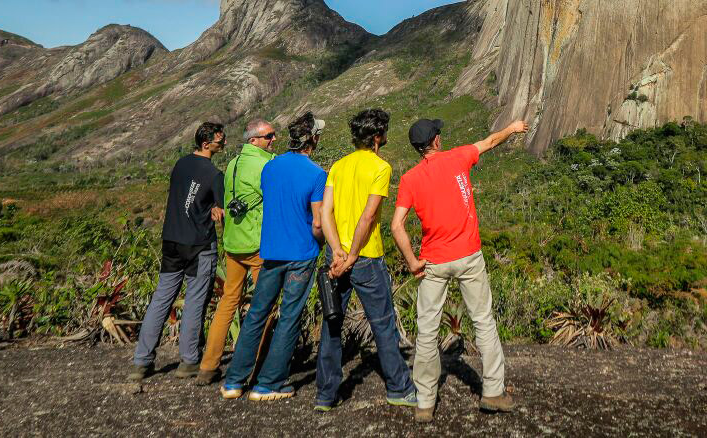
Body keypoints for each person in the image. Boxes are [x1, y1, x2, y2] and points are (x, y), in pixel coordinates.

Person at [391, 116, 529, 422]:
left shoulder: (410, 178)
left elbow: (396, 225)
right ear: (436, 141)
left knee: (427, 330)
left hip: (433, 263)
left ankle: (425, 402)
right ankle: (492, 392)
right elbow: (492, 141)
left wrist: (412, 261)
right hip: (468, 257)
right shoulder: (458, 157)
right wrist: (513, 128)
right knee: (483, 322)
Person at [221, 112, 331, 401]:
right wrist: (323, 243)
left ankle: (234, 381)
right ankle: (269, 383)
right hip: (300, 253)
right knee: (289, 316)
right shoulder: (317, 174)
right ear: (314, 139)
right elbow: (318, 223)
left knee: (257, 313)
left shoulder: (270, 168)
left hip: (271, 252)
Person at [314, 108, 417, 411]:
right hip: (366, 258)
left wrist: (337, 251)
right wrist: (354, 253)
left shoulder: (338, 166)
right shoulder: (380, 167)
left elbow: (325, 213)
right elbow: (368, 216)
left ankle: (326, 395)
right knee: (383, 324)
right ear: (377, 137)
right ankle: (399, 388)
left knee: (332, 323)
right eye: (384, 132)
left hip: (338, 258)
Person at [127, 121, 225, 382]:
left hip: (171, 239)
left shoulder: (180, 164)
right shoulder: (214, 174)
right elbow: (220, 207)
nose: (223, 143)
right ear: (207, 144)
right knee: (194, 300)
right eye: (219, 141)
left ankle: (141, 362)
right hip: (199, 244)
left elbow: (185, 197)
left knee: (161, 298)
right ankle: (189, 360)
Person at [196, 118, 277, 384]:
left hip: (233, 243)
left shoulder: (231, 164)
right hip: (257, 244)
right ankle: (255, 364)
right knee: (264, 305)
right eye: (268, 136)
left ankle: (208, 365)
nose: (273, 140)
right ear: (254, 140)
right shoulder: (266, 165)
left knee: (228, 301)